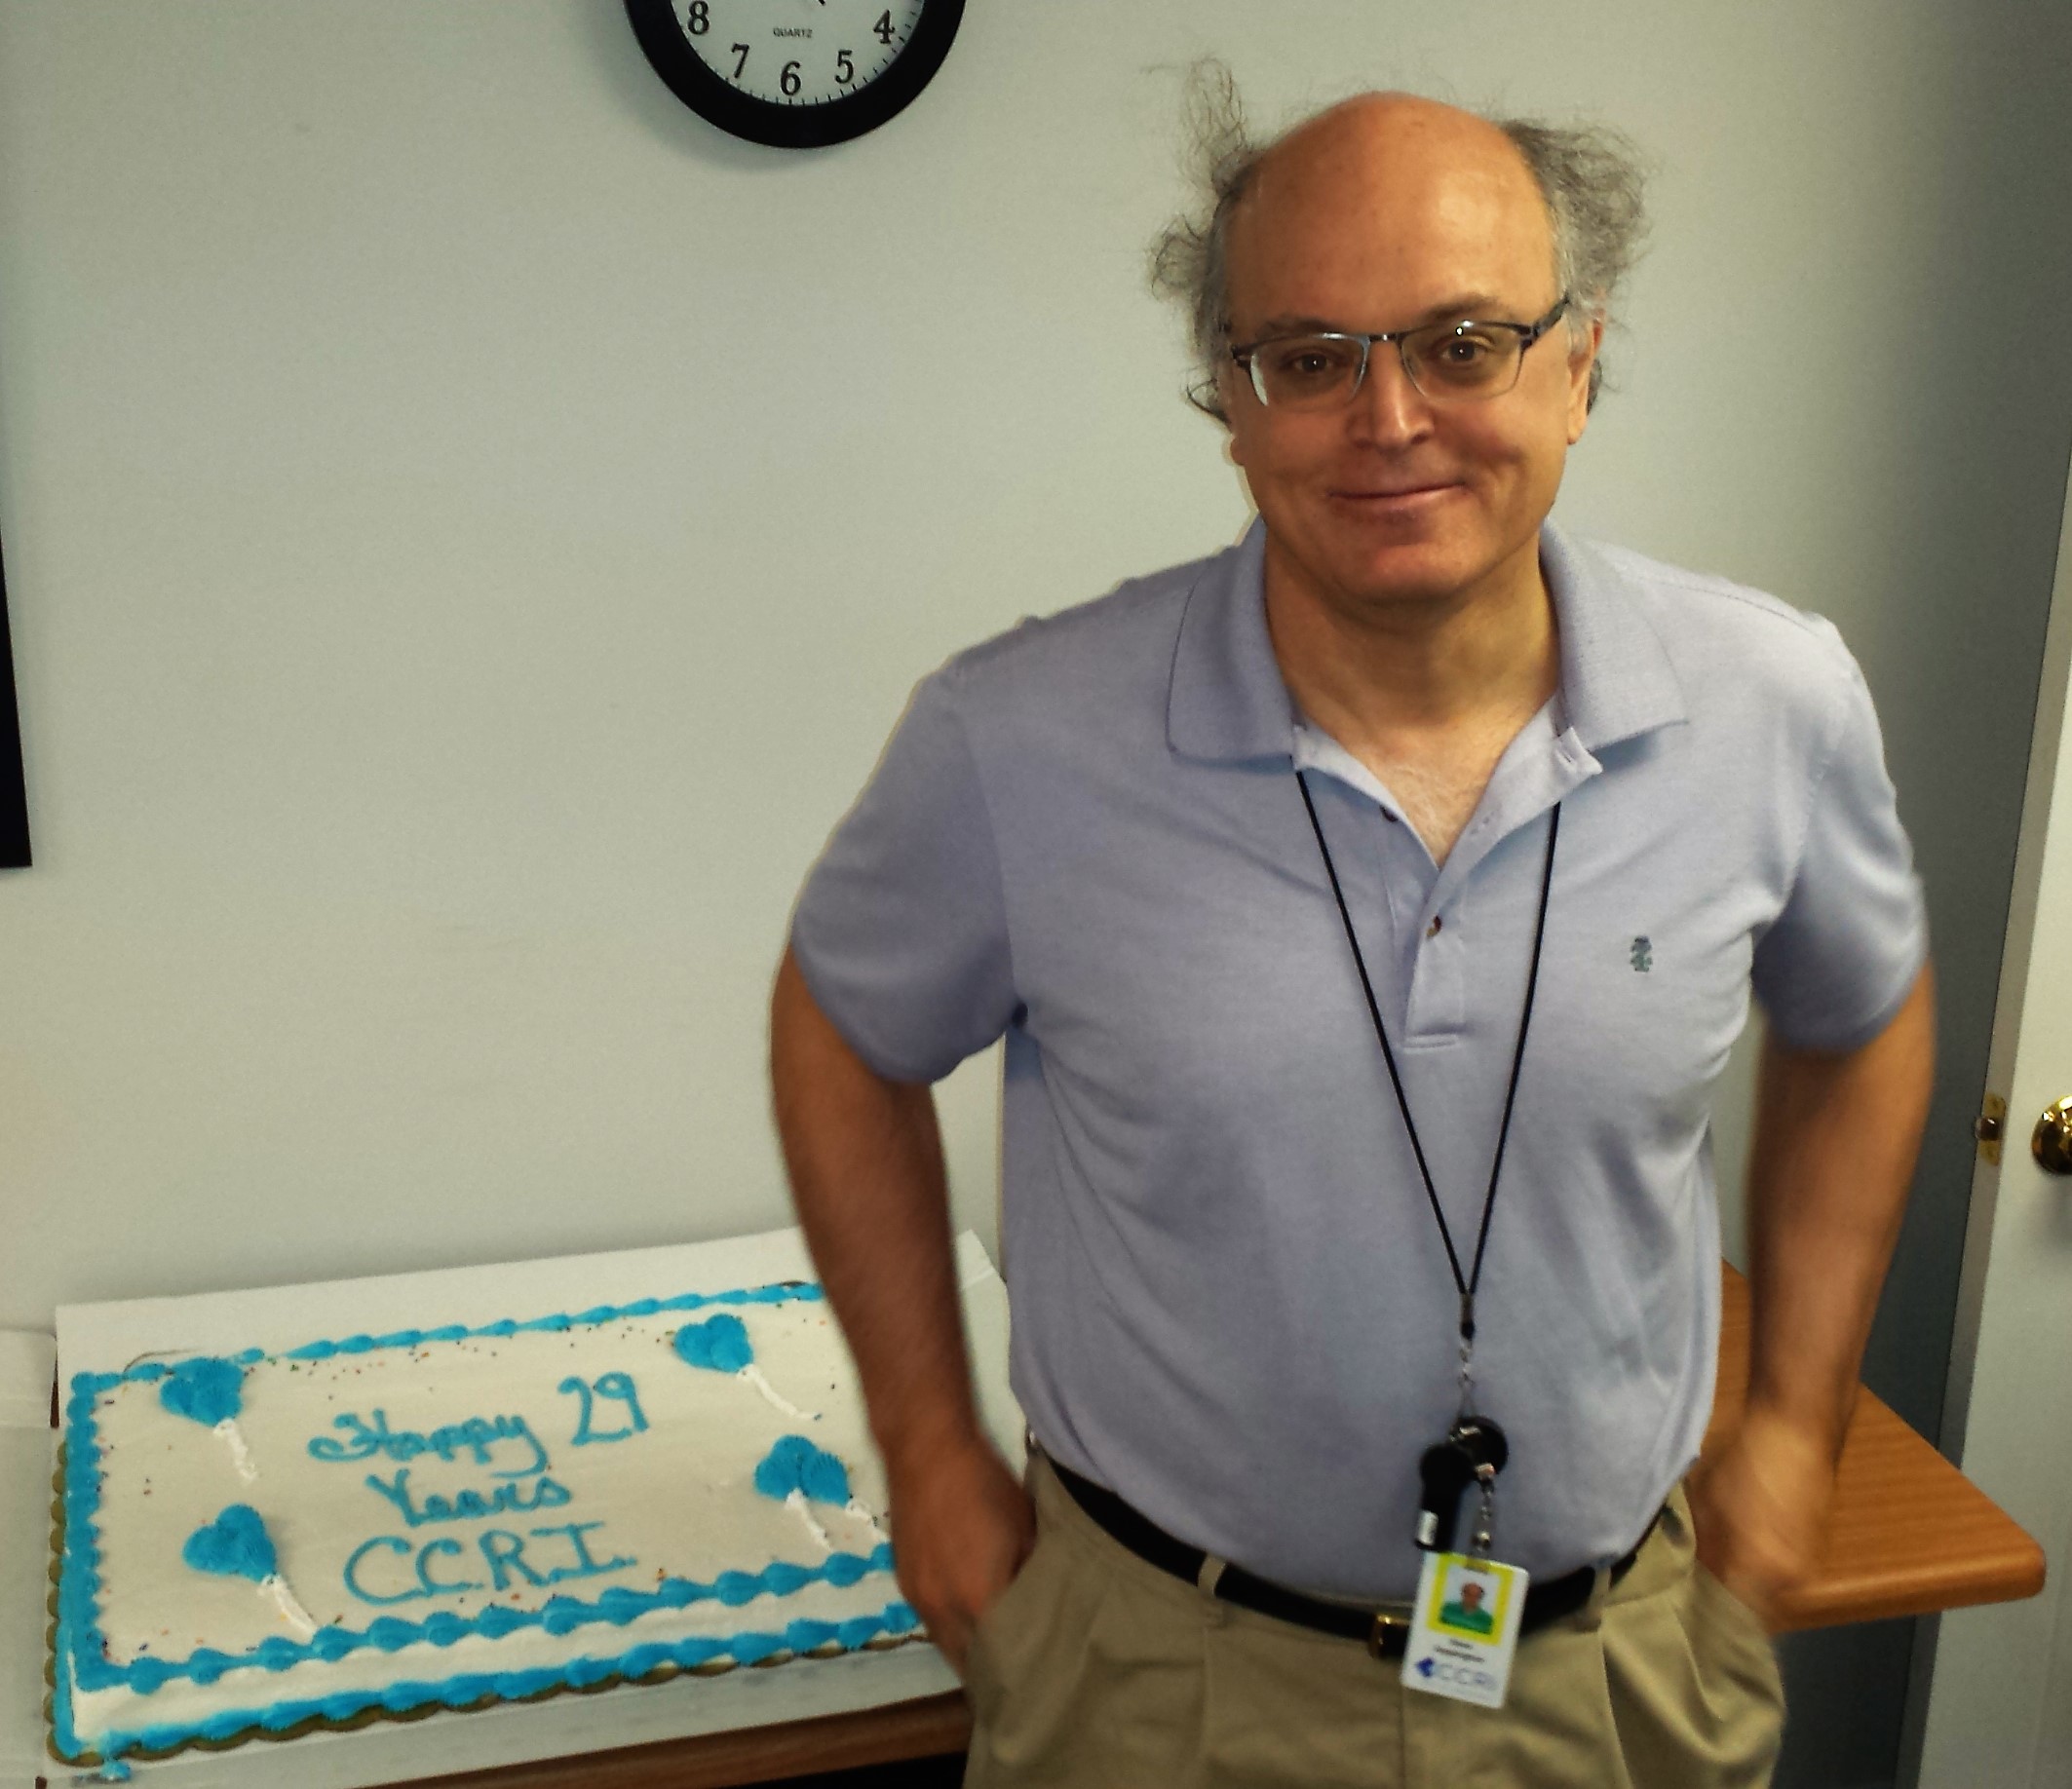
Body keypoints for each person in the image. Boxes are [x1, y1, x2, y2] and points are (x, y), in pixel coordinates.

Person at [771, 70, 1935, 1789]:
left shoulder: (1771, 703)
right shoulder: (1013, 742)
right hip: (1160, 1685)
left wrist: (1793, 1423)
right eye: (1307, 358)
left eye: (1462, 342)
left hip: (1612, 1679)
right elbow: (838, 1029)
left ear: (1578, 365)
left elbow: (1864, 1017)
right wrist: (930, 1449)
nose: (1387, 418)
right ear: (1229, 406)